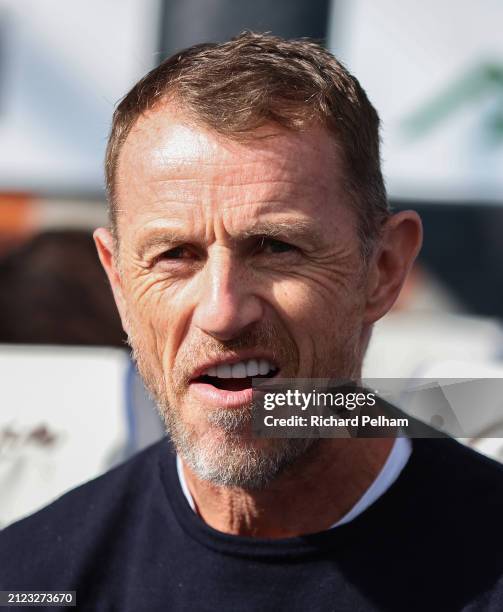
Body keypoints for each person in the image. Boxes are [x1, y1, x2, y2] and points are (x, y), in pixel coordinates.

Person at [1, 32, 502, 611]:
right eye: (175, 255)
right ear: (118, 280)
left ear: (384, 269)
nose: (222, 312)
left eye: (275, 247)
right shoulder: (32, 580)